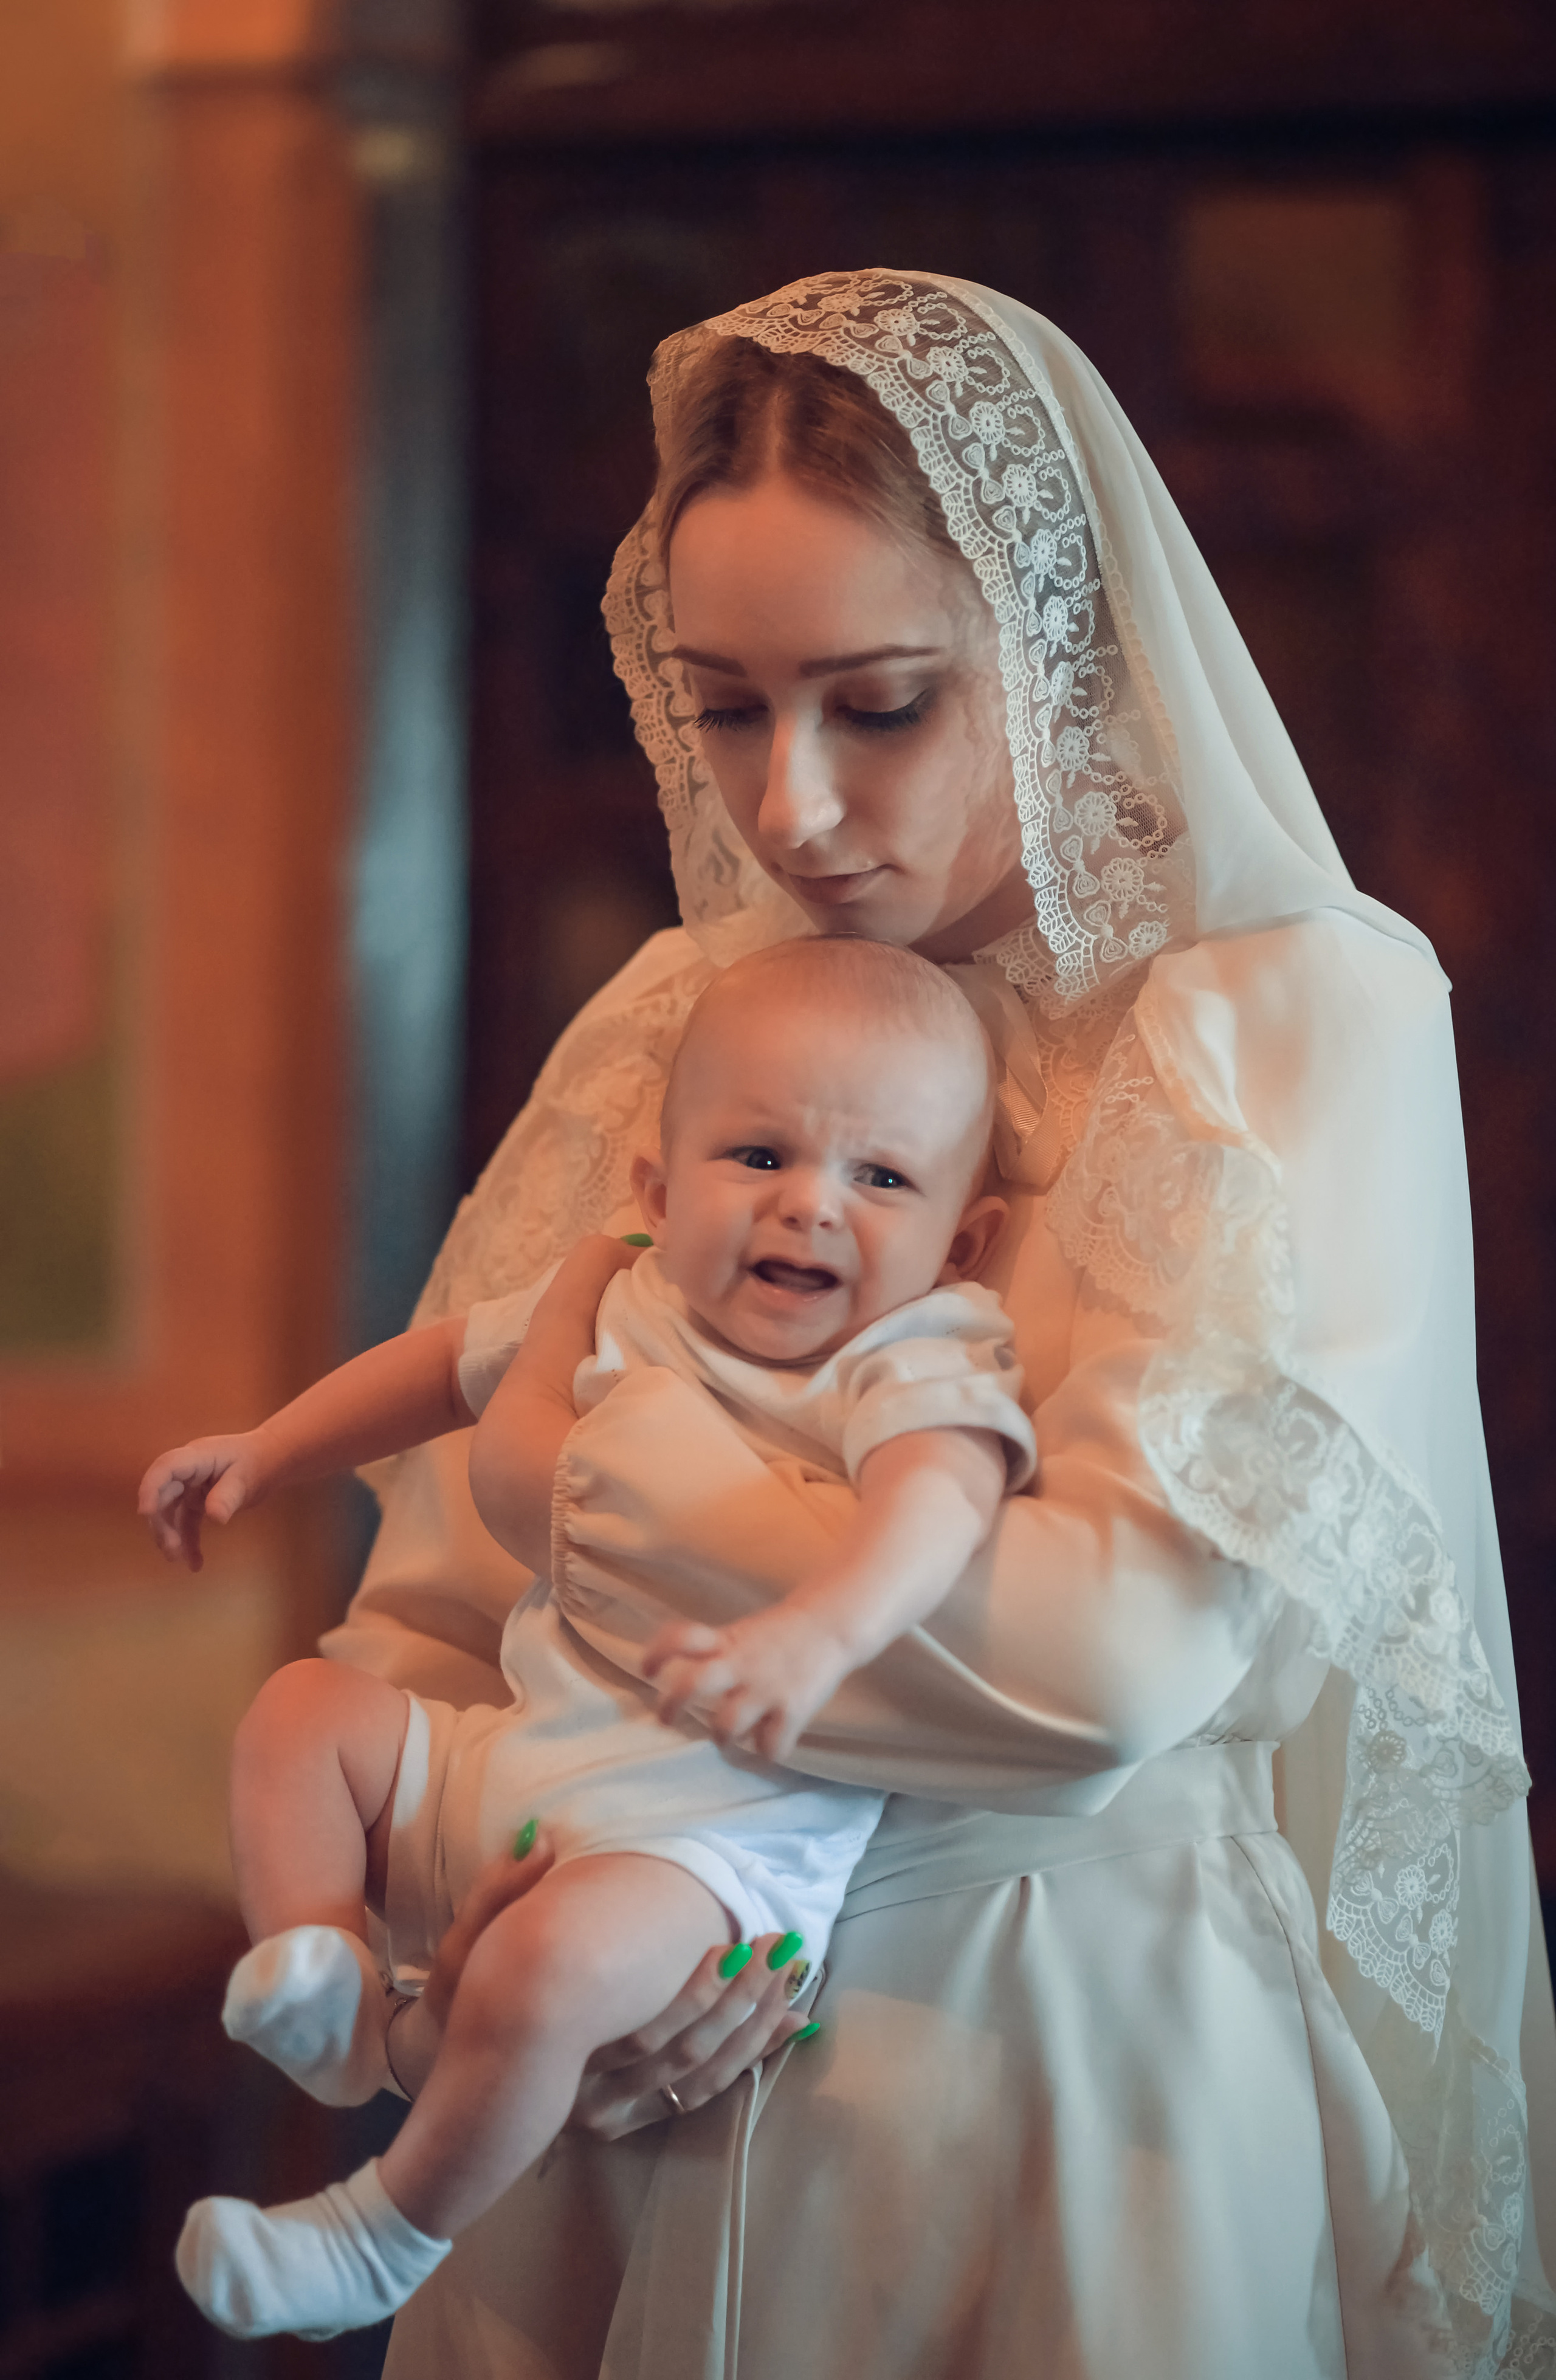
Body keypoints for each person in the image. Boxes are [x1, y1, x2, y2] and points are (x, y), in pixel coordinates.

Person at [318, 272, 1556, 2378]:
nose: (791, 805)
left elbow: (1105, 1662)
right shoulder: (673, 1026)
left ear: (1058, 658)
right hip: (611, 2079)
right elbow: (423, 1628)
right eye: (724, 705)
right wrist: (481, 1962)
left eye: (878, 703)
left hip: (1060, 2070)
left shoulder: (1281, 1022)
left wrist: (590, 1488)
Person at [143, 937, 1037, 2342]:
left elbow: (941, 1502)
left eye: (881, 1177)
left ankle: (383, 2232)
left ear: (960, 1238)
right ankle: (327, 1974)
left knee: (545, 1966)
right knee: (303, 1712)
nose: (810, 1206)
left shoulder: (914, 1349)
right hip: (513, 1764)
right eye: (757, 1153)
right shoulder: (627, 1299)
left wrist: (816, 1635)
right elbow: (440, 1364)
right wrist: (269, 1450)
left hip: (702, 1855)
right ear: (655, 1184)